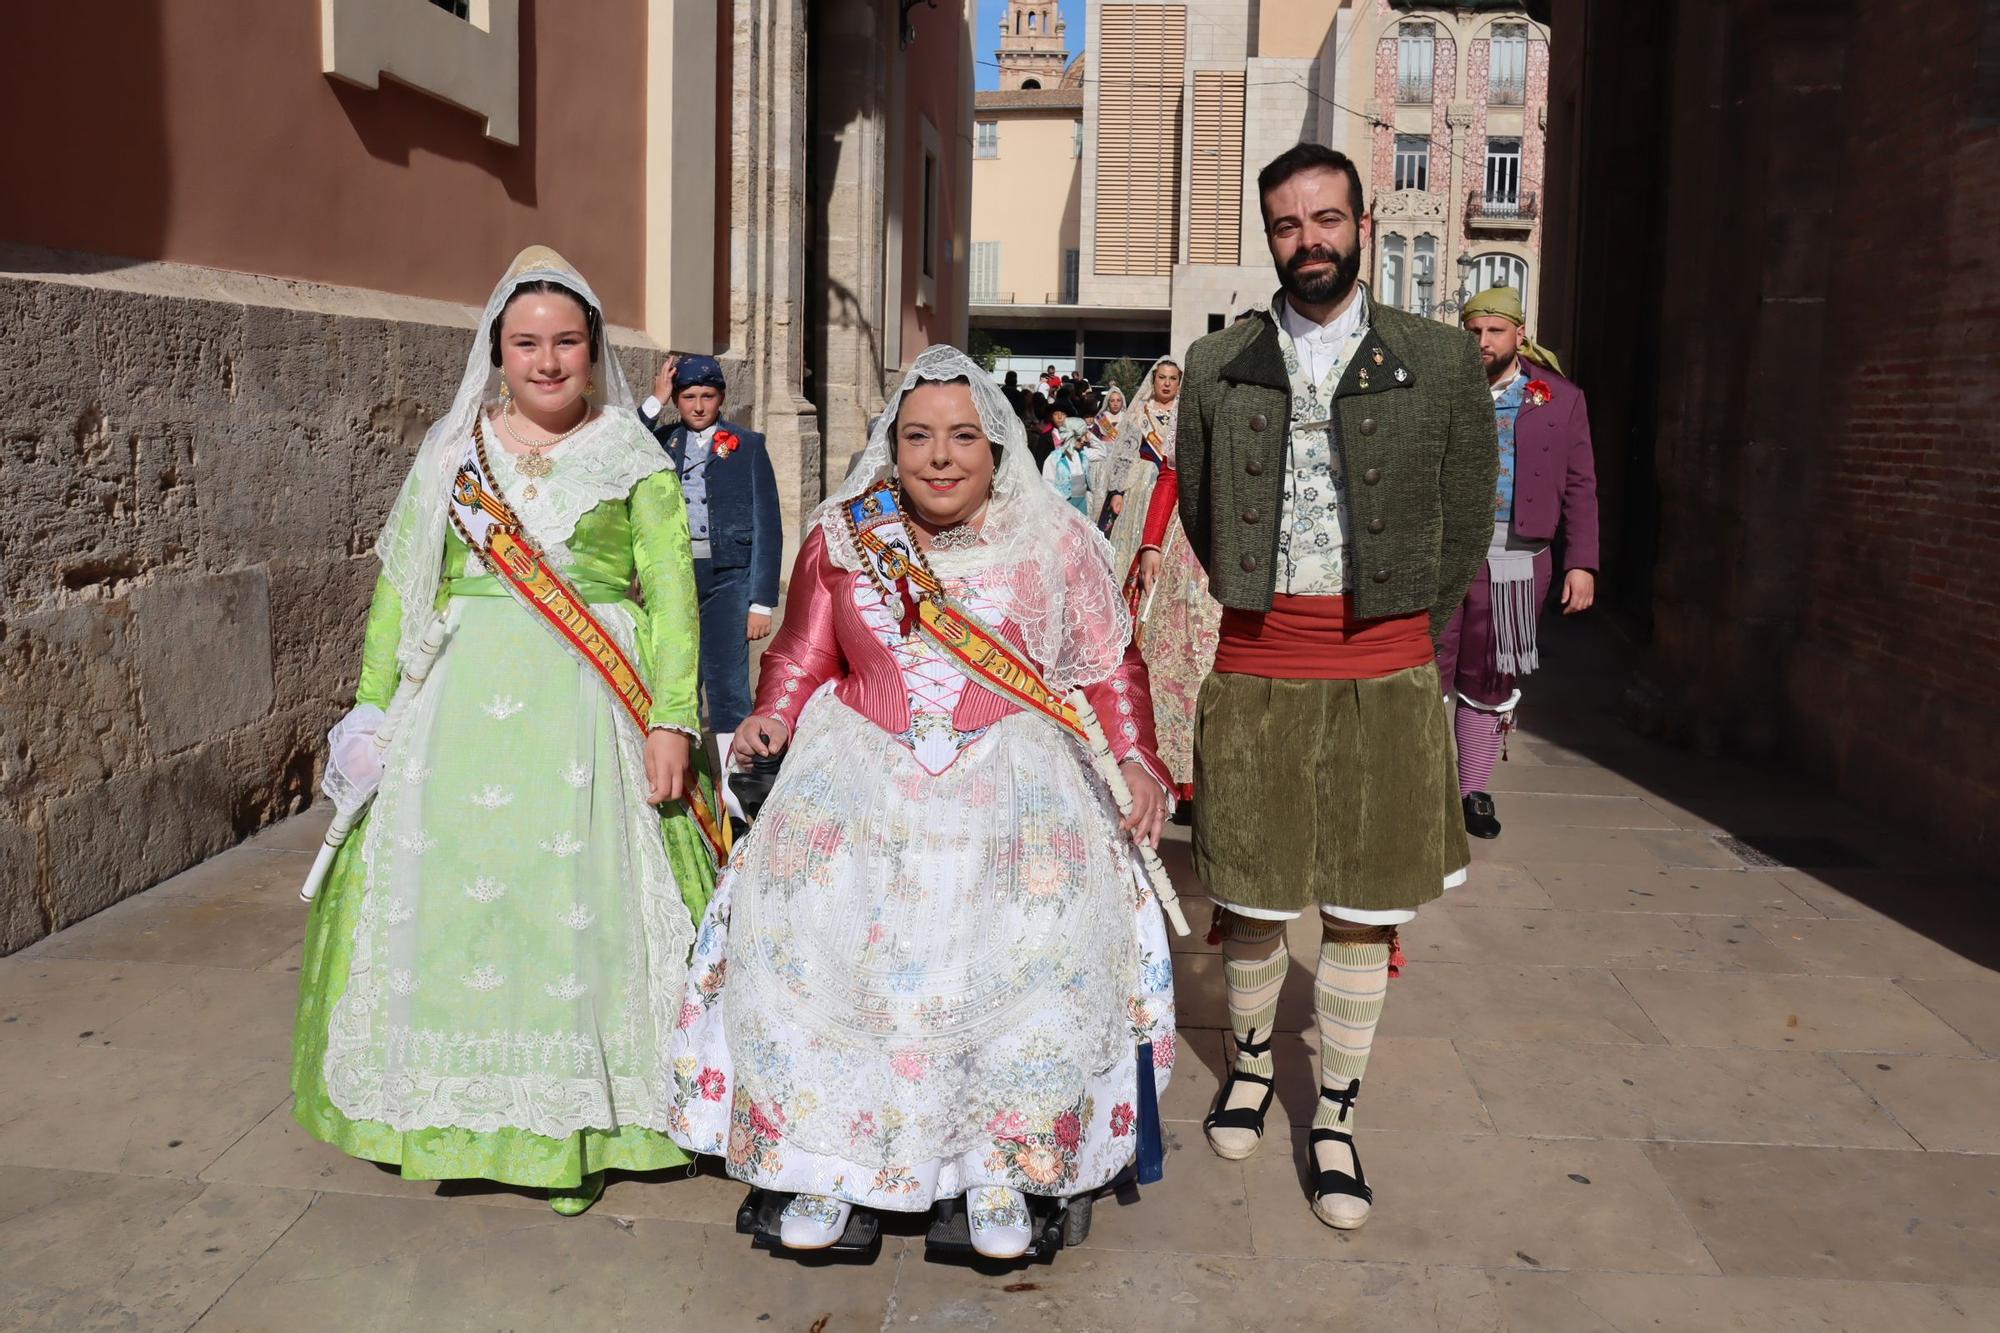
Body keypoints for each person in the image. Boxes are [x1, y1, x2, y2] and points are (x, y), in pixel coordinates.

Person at [666, 344, 1179, 1260]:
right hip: (863, 765)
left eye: (962, 438)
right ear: (892, 447)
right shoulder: (846, 534)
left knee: (1032, 935)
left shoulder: (1054, 540)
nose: (940, 457)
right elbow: (800, 654)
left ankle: (1003, 1162)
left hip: (1013, 779)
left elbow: (1109, 665)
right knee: (802, 917)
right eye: (918, 438)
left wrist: (1138, 763)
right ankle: (827, 1161)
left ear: (996, 447)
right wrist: (772, 718)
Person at [290, 246, 718, 1217]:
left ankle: (579, 1121)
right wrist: (370, 710)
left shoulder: (630, 456)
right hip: (459, 707)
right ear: (497, 349)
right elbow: (404, 590)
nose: (547, 359)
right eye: (526, 341)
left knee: (574, 893)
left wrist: (672, 718)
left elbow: (675, 599)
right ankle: (453, 1113)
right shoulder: (452, 453)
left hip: (589, 702)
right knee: (463, 892)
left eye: (566, 340)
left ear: (593, 348)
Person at [1176, 145, 1496, 1230]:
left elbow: (1462, 517)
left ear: (1360, 222)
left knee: (1361, 914)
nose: (1305, 238)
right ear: (1265, 235)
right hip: (1258, 661)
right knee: (1251, 901)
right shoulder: (1217, 363)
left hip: (1383, 667)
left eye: (1323, 217)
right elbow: (1203, 515)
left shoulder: (1440, 360)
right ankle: (1255, 1068)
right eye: (1283, 223)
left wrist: (1401, 626)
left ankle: (1337, 1116)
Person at [1437, 287, 1599, 838]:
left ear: (1519, 335)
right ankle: (1419, 788)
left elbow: (1580, 486)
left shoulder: (1561, 397)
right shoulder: (1438, 389)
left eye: (1494, 331)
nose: (1482, 341)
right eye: (1473, 330)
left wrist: (1582, 563)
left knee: (1489, 675)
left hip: (1517, 559)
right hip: (1440, 556)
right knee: (1422, 670)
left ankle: (1473, 791)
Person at [641, 356, 783, 765]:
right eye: (688, 397)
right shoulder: (663, 439)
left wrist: (761, 601)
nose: (699, 406)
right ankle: (683, 770)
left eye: (707, 396)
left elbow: (767, 523)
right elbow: (623, 444)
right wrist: (655, 399)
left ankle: (735, 780)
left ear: (721, 397)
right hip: (676, 576)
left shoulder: (749, 445)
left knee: (727, 681)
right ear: (677, 400)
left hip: (729, 579)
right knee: (676, 676)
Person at [1094, 359, 1219, 800]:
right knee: (1177, 655)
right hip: (1183, 538)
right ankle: (1174, 769)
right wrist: (1150, 543)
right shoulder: (1181, 412)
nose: (1167, 385)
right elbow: (1170, 474)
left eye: (1173, 379)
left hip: (1234, 543)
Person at [1042, 397, 1102, 517]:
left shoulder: (1083, 454)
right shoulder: (1055, 458)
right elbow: (1047, 483)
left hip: (1082, 504)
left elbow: (1102, 452)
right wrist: (1060, 503)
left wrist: (1088, 434)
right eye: (1079, 436)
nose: (1084, 440)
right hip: (1064, 507)